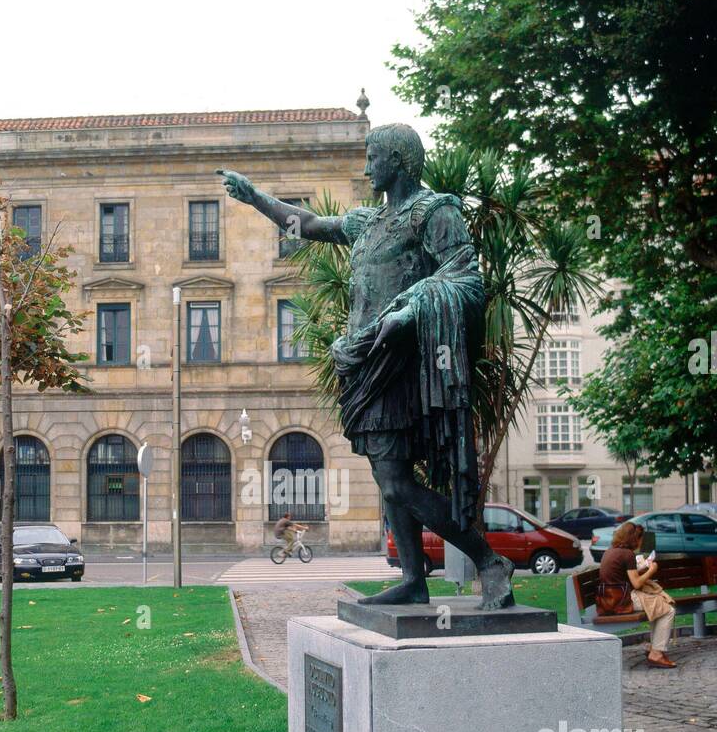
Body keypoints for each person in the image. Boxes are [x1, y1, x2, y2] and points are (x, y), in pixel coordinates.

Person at [218, 123, 514, 610]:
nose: (365, 167)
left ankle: (488, 561)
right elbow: (307, 225)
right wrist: (256, 198)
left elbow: (464, 279)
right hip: (364, 360)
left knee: (395, 480)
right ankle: (415, 581)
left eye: (372, 157)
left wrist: (412, 309)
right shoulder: (366, 222)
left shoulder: (435, 212)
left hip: (405, 360)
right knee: (388, 475)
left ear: (397, 160)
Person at [598, 521, 677, 669]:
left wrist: (642, 568)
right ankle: (656, 653)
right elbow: (637, 584)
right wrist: (651, 570)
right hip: (622, 600)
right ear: (634, 539)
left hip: (610, 598)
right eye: (640, 539)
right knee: (668, 610)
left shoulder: (611, 551)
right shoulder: (627, 554)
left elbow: (626, 577)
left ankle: (655, 648)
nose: (641, 542)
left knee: (660, 606)